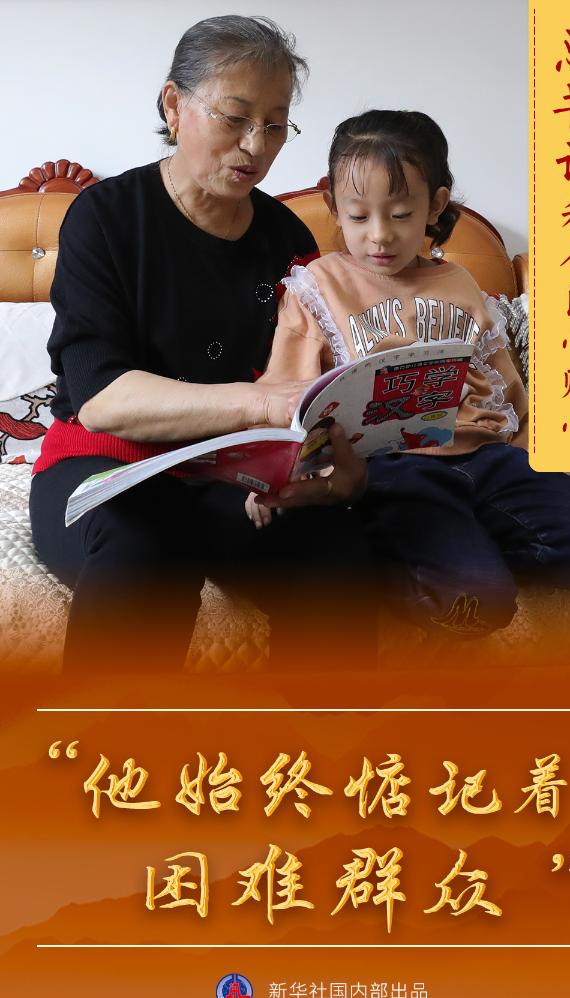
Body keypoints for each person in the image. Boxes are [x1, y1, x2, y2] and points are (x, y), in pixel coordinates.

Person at [29, 16, 371, 674]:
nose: (256, 146)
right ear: (174, 105)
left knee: (335, 548)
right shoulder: (105, 218)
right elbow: (101, 397)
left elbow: (307, 390)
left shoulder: (287, 239)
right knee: (146, 541)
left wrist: (335, 469)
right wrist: (261, 404)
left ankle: (325, 733)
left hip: (233, 476)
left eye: (276, 125)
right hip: (105, 466)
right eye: (235, 118)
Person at [246, 109, 570, 636]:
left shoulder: (460, 282)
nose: (380, 236)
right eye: (359, 217)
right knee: (476, 604)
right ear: (334, 207)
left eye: (401, 214)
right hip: (393, 471)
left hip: (488, 458)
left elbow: (506, 387)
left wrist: (529, 456)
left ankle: (466, 548)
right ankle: (422, 565)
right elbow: (284, 393)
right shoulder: (318, 285)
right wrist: (269, 474)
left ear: (435, 206)